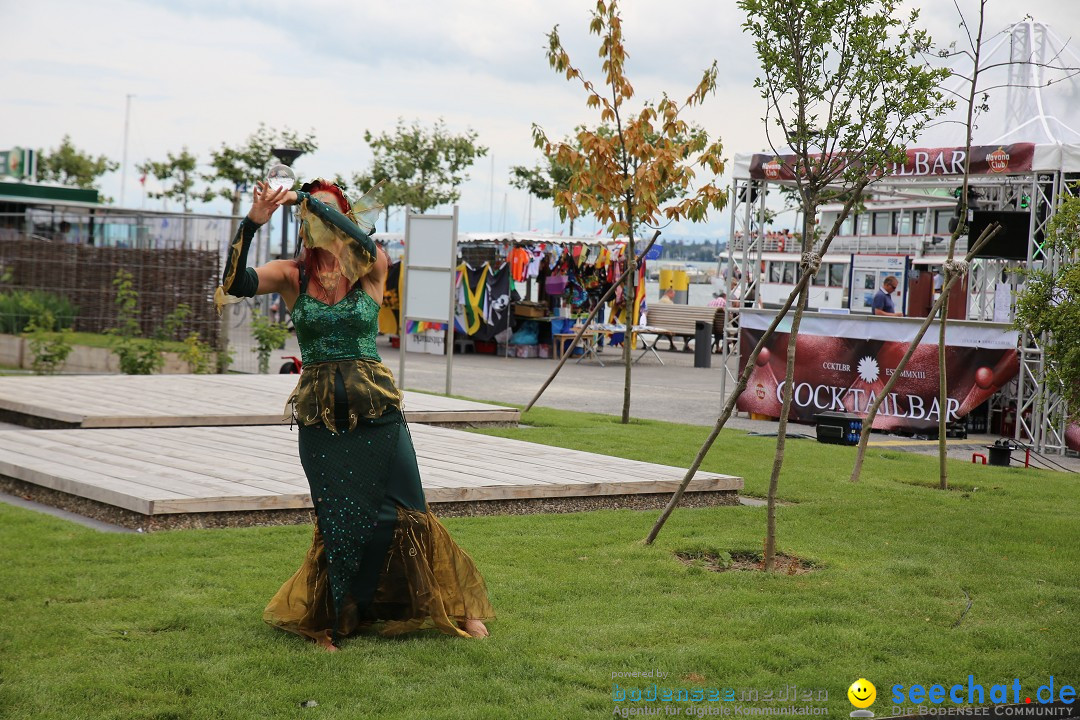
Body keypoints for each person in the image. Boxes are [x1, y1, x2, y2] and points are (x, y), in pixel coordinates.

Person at [217, 180, 494, 651]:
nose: (313, 219)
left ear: (344, 218)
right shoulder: (291, 274)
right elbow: (233, 285)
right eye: (307, 213)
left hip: (378, 410)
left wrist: (307, 199)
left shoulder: (371, 266)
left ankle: (454, 607)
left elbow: (362, 242)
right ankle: (331, 620)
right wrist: (252, 223)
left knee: (410, 507)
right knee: (337, 519)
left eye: (327, 212)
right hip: (321, 420)